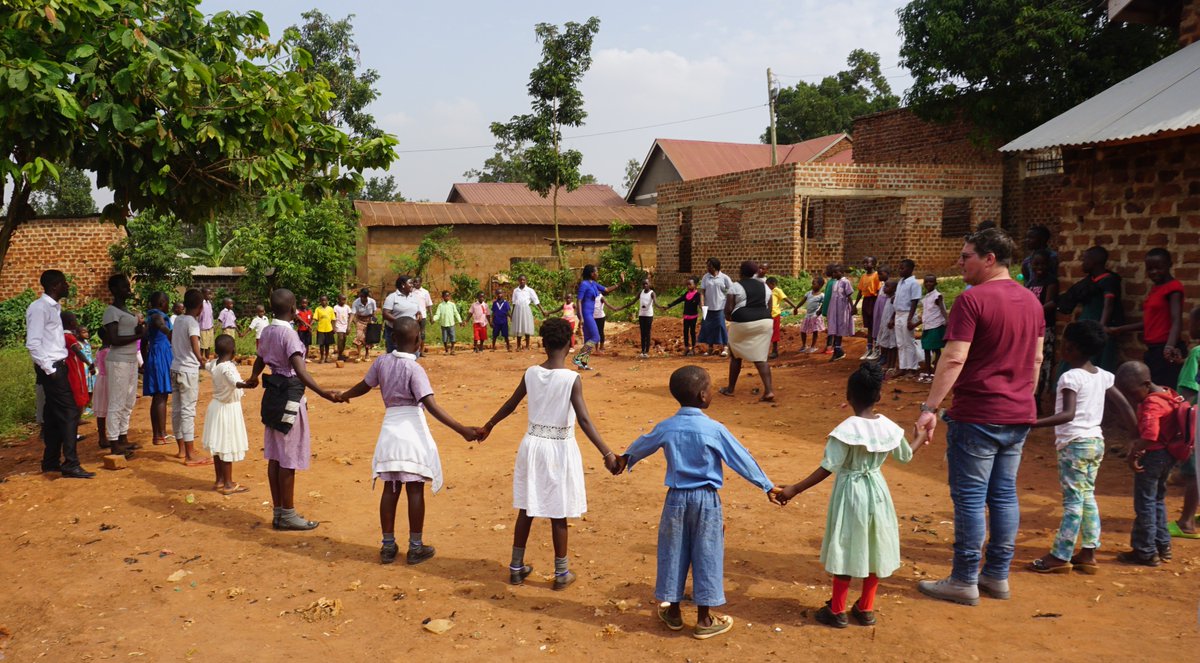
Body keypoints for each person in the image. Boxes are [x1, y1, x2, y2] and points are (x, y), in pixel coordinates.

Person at [914, 227, 1044, 606]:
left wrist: (929, 408)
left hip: (978, 414)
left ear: (990, 259)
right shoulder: (1032, 303)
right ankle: (996, 576)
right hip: (1017, 413)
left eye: (967, 255)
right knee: (1003, 495)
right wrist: (1022, 400)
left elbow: (954, 357)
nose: (960, 261)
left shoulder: (973, 302)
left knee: (971, 498)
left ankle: (964, 579)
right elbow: (1035, 359)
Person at [618, 365, 782, 640]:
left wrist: (624, 459)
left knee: (673, 551)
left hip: (676, 500)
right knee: (707, 553)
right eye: (709, 387)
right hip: (706, 500)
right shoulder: (714, 428)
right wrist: (766, 485)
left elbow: (642, 444)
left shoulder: (667, 426)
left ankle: (673, 613)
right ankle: (705, 620)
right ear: (703, 395)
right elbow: (740, 458)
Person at [776, 362, 926, 628]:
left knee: (846, 545)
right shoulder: (889, 427)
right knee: (875, 545)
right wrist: (920, 436)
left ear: (848, 396)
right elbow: (906, 455)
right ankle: (866, 608)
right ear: (878, 396)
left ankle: (836, 610)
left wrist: (794, 489)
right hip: (877, 491)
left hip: (851, 493)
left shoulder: (846, 430)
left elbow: (827, 467)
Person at [478, 318, 622, 590]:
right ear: (571, 343)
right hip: (558, 448)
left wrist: (489, 426)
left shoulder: (531, 372)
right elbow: (585, 420)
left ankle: (516, 568)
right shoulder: (571, 379)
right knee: (559, 512)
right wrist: (607, 453)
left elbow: (511, 403)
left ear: (543, 344)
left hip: (532, 445)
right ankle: (561, 573)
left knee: (526, 509)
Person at [334, 318, 478, 564]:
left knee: (390, 488)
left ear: (393, 339)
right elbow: (430, 405)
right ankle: (415, 547)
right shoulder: (414, 369)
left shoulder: (382, 362)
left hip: (389, 431)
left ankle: (388, 546)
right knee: (414, 488)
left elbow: (364, 385)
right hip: (412, 429)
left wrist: (344, 395)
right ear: (417, 340)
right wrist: (462, 429)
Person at [1026, 321, 1135, 574]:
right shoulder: (1104, 376)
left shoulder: (1070, 376)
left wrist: (1032, 423)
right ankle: (1088, 552)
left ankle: (1060, 555)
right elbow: (1125, 407)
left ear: (1070, 347)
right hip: (1095, 443)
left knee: (1073, 501)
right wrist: (1137, 436)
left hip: (1074, 445)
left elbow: (1067, 414)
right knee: (1087, 496)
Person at [244, 289, 338, 531]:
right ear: (294, 307)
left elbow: (260, 358)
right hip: (290, 397)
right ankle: (287, 513)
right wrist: (324, 392)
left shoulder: (267, 331)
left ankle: (279, 511)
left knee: (276, 456)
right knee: (287, 458)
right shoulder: (289, 336)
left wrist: (254, 376)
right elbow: (300, 370)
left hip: (272, 395)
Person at [1114, 361, 1187, 566]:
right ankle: (1163, 546)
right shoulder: (1168, 393)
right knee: (1157, 500)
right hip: (1169, 456)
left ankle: (1145, 551)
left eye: (1132, 393)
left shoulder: (1152, 403)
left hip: (1153, 457)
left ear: (1146, 384)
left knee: (1144, 503)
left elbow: (1150, 435)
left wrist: (1133, 453)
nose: (1131, 398)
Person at [25, 270, 94, 478]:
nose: (68, 286)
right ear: (55, 286)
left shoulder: (54, 308)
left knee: (53, 416)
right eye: (64, 283)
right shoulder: (40, 308)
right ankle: (71, 463)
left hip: (58, 366)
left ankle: (51, 462)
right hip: (52, 368)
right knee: (70, 412)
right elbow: (33, 343)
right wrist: (50, 369)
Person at [1106, 248, 1186, 388]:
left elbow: (1176, 320)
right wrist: (1120, 329)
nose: (1154, 272)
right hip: (1154, 350)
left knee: (1164, 392)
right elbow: (1150, 322)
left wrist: (1169, 347)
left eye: (1158, 268)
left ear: (1169, 265)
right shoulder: (1156, 289)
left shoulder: (1173, 288)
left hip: (1165, 350)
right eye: (1150, 269)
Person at [717, 261, 776, 402]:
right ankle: (769, 391)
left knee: (736, 356)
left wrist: (736, 319)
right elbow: (769, 307)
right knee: (761, 357)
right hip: (765, 323)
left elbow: (728, 311)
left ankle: (730, 389)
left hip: (742, 323)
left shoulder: (736, 287)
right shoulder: (765, 287)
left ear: (741, 272)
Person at [1058, 246, 1123, 371]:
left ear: (1093, 261)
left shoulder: (1109, 280)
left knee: (1096, 362)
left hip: (1097, 327)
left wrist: (1100, 328)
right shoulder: (1088, 282)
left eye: (1085, 260)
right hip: (1086, 325)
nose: (1082, 263)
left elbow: (1108, 305)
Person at [203, 334, 251, 495]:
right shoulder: (227, 367)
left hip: (217, 407)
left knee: (218, 446)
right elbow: (234, 382)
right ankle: (228, 484)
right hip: (228, 409)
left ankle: (220, 480)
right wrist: (248, 384)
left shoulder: (214, 364)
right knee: (227, 444)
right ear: (233, 350)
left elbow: (206, 365)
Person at [102, 274, 144, 458]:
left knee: (128, 400)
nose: (128, 289)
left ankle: (123, 437)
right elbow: (113, 339)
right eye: (123, 286)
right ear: (113, 290)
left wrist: (138, 329)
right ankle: (113, 441)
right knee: (117, 402)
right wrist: (139, 336)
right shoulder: (111, 312)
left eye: (128, 286)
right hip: (118, 360)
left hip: (130, 359)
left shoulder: (126, 310)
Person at [1170, 307, 1200, 539]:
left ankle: (1186, 523)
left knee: (1193, 474)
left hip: (1196, 421)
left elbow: (1189, 393)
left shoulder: (1197, 353)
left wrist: (1178, 423)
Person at [170, 289, 205, 466]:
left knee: (177, 409)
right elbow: (194, 341)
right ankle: (190, 454)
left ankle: (181, 449)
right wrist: (201, 359)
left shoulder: (178, 320)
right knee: (188, 410)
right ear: (200, 307)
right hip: (188, 370)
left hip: (175, 367)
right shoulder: (192, 322)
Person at [1026, 249, 1060, 412]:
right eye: (1036, 264)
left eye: (1043, 264)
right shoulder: (1030, 283)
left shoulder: (1050, 282)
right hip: (1030, 327)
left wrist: (1032, 311)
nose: (1039, 267)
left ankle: (1037, 399)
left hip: (1045, 328)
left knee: (1041, 362)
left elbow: (1050, 303)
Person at [141, 291, 176, 449]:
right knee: (161, 395)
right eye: (167, 303)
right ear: (162, 303)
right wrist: (172, 334)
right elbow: (161, 326)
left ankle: (157, 435)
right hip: (161, 354)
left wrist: (144, 360)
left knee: (157, 397)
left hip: (154, 354)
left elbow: (143, 341)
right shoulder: (157, 316)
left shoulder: (150, 317)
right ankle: (162, 434)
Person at [574, 265, 623, 368]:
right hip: (586, 314)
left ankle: (582, 364)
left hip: (590, 314)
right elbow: (579, 300)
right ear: (592, 273)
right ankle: (579, 359)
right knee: (596, 337)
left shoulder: (593, 284)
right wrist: (580, 317)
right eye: (596, 272)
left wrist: (620, 283)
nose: (598, 273)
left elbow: (606, 290)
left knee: (588, 339)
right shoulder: (584, 284)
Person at [61, 313, 93, 437]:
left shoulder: (59, 335)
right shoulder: (69, 337)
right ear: (71, 323)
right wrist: (88, 363)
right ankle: (72, 433)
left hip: (67, 369)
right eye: (74, 320)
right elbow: (78, 352)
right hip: (74, 370)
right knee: (76, 398)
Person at [893, 259, 922, 377]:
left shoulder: (914, 283)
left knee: (908, 341)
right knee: (900, 342)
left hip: (907, 314)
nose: (900, 270)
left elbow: (914, 301)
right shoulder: (900, 282)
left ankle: (912, 367)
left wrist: (910, 318)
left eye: (902, 268)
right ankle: (903, 366)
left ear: (910, 269)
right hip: (898, 314)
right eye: (899, 268)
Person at [698, 258, 732, 357]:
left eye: (710, 266)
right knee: (708, 327)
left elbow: (731, 290)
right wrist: (702, 303)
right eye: (707, 266)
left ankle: (725, 347)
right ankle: (710, 348)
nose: (708, 268)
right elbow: (702, 291)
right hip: (708, 307)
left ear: (715, 267)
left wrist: (729, 303)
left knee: (721, 326)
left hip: (720, 306)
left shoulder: (724, 277)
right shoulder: (706, 277)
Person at [661, 278, 702, 356]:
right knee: (685, 332)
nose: (688, 286)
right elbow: (678, 300)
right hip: (686, 316)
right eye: (687, 284)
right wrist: (669, 306)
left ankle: (693, 348)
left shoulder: (697, 295)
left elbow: (700, 304)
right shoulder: (686, 294)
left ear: (695, 285)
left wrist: (703, 308)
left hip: (693, 317)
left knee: (692, 332)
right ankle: (686, 348)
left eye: (690, 284)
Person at [918, 275, 947, 383]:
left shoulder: (937, 296)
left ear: (935, 283)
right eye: (926, 282)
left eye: (931, 282)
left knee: (936, 349)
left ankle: (935, 372)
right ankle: (928, 371)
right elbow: (926, 314)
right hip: (927, 326)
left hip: (936, 326)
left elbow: (943, 310)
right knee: (926, 348)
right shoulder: (927, 297)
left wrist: (948, 322)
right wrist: (916, 323)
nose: (928, 284)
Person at [383, 276, 422, 355]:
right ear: (403, 285)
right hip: (396, 332)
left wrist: (419, 315)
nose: (412, 285)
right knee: (394, 355)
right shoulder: (392, 297)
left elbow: (417, 311)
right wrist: (400, 322)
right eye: (410, 283)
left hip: (411, 332)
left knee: (413, 355)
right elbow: (385, 314)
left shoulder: (414, 297)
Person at [825, 264, 855, 362]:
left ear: (841, 272)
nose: (834, 274)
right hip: (834, 308)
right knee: (834, 327)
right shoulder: (834, 283)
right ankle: (838, 350)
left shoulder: (846, 282)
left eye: (836, 272)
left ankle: (837, 350)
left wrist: (853, 307)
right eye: (833, 272)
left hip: (842, 308)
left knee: (840, 327)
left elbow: (849, 295)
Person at [854, 257, 881, 360]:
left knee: (875, 326)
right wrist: (855, 304)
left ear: (873, 264)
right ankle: (869, 348)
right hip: (866, 301)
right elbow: (860, 292)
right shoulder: (863, 276)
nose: (865, 265)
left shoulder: (877, 276)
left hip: (874, 301)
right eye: (864, 263)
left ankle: (877, 349)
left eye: (867, 263)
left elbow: (878, 291)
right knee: (869, 326)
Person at [766, 276, 798, 360]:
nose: (766, 286)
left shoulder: (777, 291)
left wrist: (795, 307)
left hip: (775, 314)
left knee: (775, 332)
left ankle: (775, 351)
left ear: (773, 284)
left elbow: (786, 299)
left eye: (768, 284)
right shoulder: (766, 291)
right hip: (766, 315)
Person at [510, 275, 545, 352]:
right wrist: (512, 314)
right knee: (518, 327)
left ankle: (527, 346)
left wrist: (542, 310)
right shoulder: (516, 291)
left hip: (526, 310)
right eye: (521, 280)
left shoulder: (530, 290)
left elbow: (536, 301)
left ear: (526, 281)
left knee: (526, 327)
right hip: (517, 310)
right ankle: (518, 346)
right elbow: (514, 303)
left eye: (524, 280)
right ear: (518, 280)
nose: (522, 281)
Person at [794, 276, 826, 353]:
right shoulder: (808, 293)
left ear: (820, 285)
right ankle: (804, 345)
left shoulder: (822, 295)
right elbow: (802, 301)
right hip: (808, 315)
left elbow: (824, 304)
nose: (812, 285)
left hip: (815, 315)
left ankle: (813, 346)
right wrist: (796, 308)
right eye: (812, 283)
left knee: (815, 331)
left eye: (814, 284)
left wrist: (820, 311)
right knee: (803, 330)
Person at [875, 278, 898, 375]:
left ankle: (892, 366)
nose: (884, 289)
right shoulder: (888, 299)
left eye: (887, 287)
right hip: (886, 325)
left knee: (892, 346)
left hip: (892, 326)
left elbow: (896, 310)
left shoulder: (895, 299)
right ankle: (888, 365)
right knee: (887, 346)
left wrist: (892, 320)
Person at [93, 327, 110, 447]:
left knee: (101, 411)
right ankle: (115, 437)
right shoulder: (109, 351)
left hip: (100, 380)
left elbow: (95, 363)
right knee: (112, 409)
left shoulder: (99, 350)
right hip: (108, 381)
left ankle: (102, 438)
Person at [433, 290, 463, 354]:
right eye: (445, 296)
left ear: (450, 297)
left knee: (452, 337)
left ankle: (452, 349)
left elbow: (456, 313)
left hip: (451, 324)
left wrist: (460, 321)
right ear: (442, 297)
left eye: (448, 296)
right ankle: (446, 350)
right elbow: (437, 314)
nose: (447, 297)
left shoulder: (452, 305)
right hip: (443, 324)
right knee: (444, 338)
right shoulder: (440, 305)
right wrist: (433, 319)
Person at [352, 288, 378, 361]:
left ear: (367, 296)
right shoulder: (356, 302)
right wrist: (349, 324)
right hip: (359, 320)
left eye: (364, 297)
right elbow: (352, 314)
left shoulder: (372, 302)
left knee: (368, 338)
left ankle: (367, 354)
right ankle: (359, 354)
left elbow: (374, 314)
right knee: (359, 336)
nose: (362, 298)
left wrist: (373, 322)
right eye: (361, 296)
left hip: (369, 320)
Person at [76, 324, 96, 417]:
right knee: (84, 388)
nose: (86, 334)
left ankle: (87, 407)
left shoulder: (86, 343)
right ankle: (82, 409)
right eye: (83, 332)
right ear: (78, 334)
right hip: (83, 368)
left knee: (91, 388)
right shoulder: (77, 344)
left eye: (87, 332)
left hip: (90, 367)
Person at [413, 276, 435, 356]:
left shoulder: (425, 292)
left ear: (421, 282)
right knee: (413, 333)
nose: (415, 283)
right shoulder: (411, 291)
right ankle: (414, 351)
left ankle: (421, 351)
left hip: (423, 316)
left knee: (422, 333)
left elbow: (429, 305)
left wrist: (431, 317)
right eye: (414, 282)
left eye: (417, 282)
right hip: (413, 316)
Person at [817, 264, 837, 354]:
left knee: (833, 328)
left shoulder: (836, 283)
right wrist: (821, 308)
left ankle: (832, 346)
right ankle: (829, 345)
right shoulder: (829, 282)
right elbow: (826, 297)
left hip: (834, 309)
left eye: (827, 270)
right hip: (828, 309)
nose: (825, 272)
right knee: (830, 327)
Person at [636, 279, 657, 358]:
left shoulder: (652, 293)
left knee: (647, 333)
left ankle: (647, 352)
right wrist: (622, 307)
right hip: (641, 315)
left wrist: (660, 307)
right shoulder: (641, 292)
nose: (645, 285)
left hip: (648, 315)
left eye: (646, 284)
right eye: (644, 284)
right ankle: (642, 350)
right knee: (642, 333)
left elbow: (655, 302)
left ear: (649, 284)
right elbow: (634, 301)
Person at [312, 295, 336, 364]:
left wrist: (333, 328)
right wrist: (310, 325)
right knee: (321, 344)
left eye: (325, 300)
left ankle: (327, 357)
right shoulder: (318, 309)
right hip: (321, 329)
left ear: (327, 301)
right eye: (322, 300)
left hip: (329, 329)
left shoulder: (330, 309)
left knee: (327, 344)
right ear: (320, 301)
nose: (323, 302)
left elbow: (333, 320)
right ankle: (322, 357)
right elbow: (315, 318)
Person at [333, 294, 352, 362]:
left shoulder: (347, 307)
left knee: (344, 340)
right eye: (342, 299)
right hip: (338, 325)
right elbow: (334, 318)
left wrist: (349, 326)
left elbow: (350, 315)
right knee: (340, 339)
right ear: (338, 299)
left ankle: (341, 353)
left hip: (345, 326)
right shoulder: (335, 307)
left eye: (344, 299)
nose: (343, 301)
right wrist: (334, 326)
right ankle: (339, 354)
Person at [198, 288, 215, 361]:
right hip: (203, 328)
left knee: (208, 345)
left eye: (211, 294)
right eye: (209, 294)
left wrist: (213, 327)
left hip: (210, 327)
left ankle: (207, 360)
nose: (210, 296)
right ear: (203, 295)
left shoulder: (209, 304)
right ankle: (200, 360)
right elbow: (199, 317)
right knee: (202, 346)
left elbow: (211, 316)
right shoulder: (201, 304)